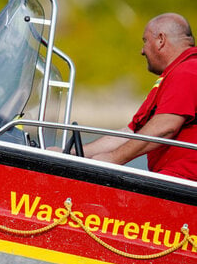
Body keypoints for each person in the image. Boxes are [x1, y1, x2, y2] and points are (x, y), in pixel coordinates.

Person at [82, 13, 197, 180]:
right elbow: (131, 132)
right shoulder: (172, 76)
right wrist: (72, 153)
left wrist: (113, 159)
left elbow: (165, 127)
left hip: (183, 186)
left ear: (160, 40)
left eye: (145, 41)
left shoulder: (188, 71)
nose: (142, 51)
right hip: (171, 181)